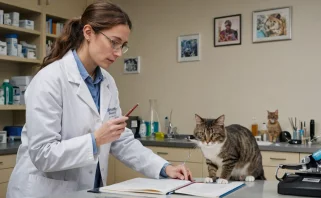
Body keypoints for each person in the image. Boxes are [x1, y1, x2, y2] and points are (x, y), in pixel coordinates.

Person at [6, 2, 192, 198]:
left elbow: (120, 140)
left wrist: (164, 167)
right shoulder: (49, 79)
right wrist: (95, 140)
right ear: (88, 32)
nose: (119, 52)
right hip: (44, 192)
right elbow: (42, 155)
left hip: (88, 190)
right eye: (114, 42)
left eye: (123, 46)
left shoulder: (107, 82)